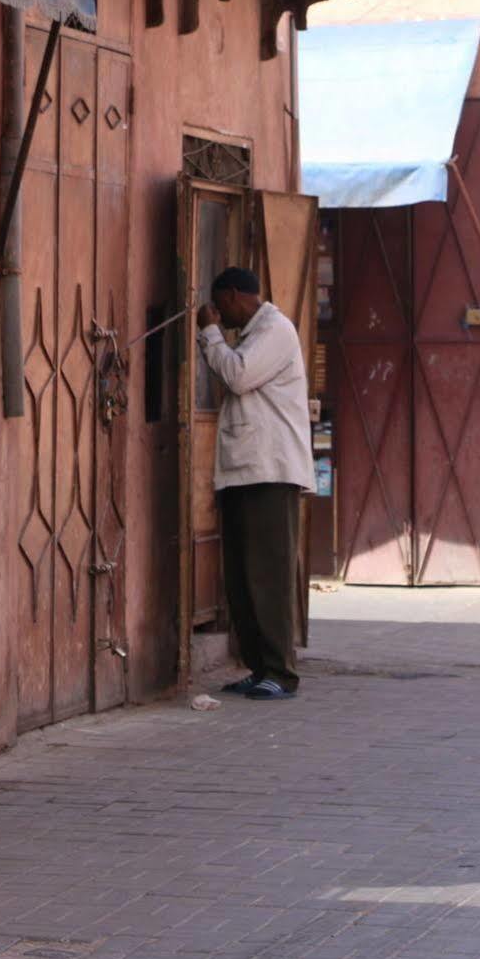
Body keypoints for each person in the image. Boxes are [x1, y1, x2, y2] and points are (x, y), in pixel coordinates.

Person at [195, 266, 315, 701]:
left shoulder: (275, 330)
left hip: (271, 470)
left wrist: (209, 334)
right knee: (243, 576)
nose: (217, 313)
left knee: (268, 574)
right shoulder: (251, 334)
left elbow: (238, 376)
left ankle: (280, 671)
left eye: (219, 304)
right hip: (246, 469)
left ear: (232, 296)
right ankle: (258, 664)